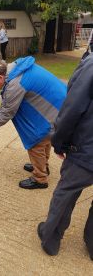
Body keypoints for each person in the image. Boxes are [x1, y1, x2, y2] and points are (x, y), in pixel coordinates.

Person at [0, 57, 66, 189]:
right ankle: (43, 165)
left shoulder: (15, 84)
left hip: (54, 111)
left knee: (37, 140)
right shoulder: (18, 68)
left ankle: (40, 178)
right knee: (45, 137)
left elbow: (6, 113)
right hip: (59, 107)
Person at [37, 54, 93, 259]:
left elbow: (72, 108)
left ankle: (50, 238)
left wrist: (59, 142)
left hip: (86, 149)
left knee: (66, 191)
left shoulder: (91, 65)